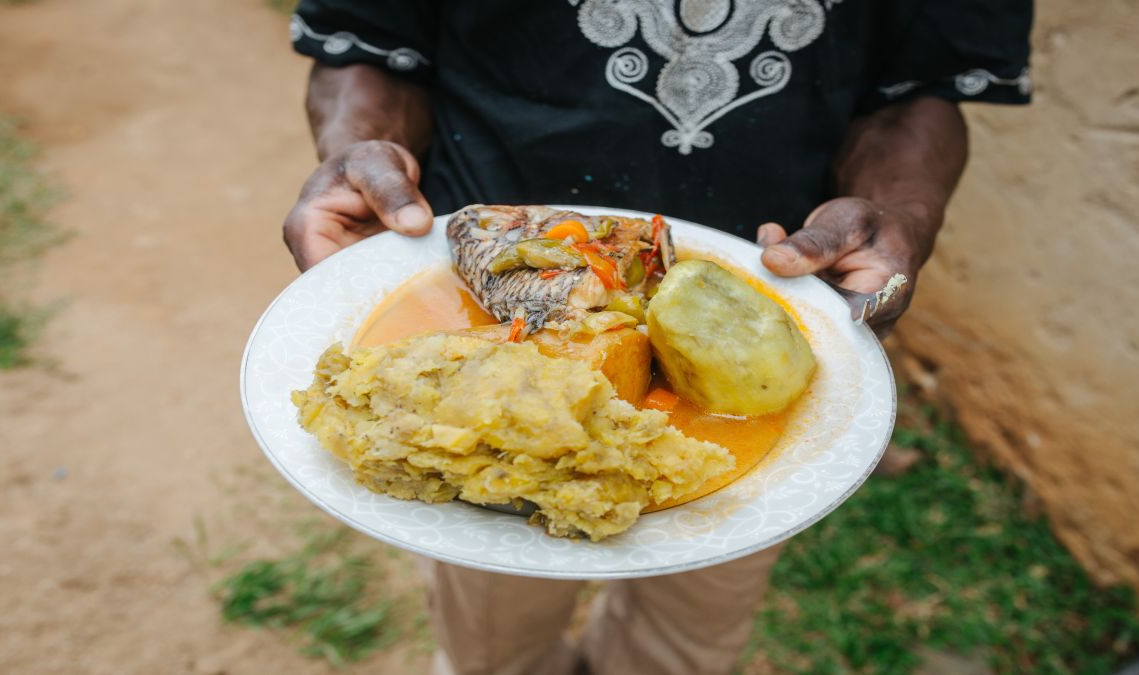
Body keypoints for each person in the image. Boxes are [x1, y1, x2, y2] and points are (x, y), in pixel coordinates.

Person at [281, 2, 1032, 673]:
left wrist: (898, 210)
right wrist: (361, 151)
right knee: (492, 636)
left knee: (690, 636)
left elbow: (920, 89)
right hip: (477, 312)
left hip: (760, 318)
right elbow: (370, 39)